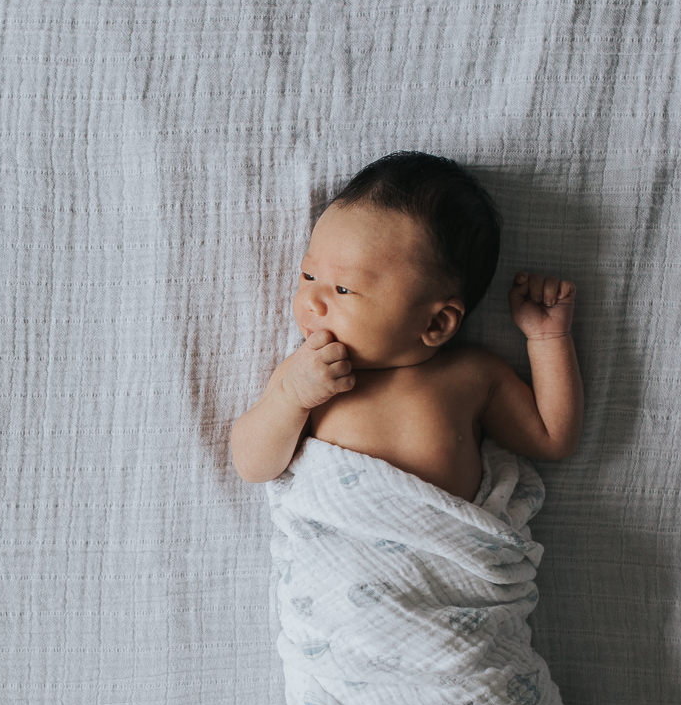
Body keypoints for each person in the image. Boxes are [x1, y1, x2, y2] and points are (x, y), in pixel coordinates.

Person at [229, 151, 583, 500]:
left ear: (437, 322)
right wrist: (292, 398)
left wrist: (549, 337)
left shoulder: (472, 374)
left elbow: (553, 438)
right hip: (343, 552)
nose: (311, 300)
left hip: (444, 554)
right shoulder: (308, 376)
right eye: (309, 275)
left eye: (343, 288)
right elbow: (252, 466)